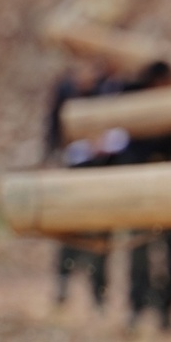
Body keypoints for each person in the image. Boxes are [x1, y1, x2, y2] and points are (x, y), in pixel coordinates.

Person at [114, 61, 171, 332]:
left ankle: (166, 312)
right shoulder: (134, 99)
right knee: (139, 251)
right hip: (140, 188)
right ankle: (137, 307)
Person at [44, 55, 117, 309]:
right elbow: (53, 130)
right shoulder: (65, 89)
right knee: (69, 231)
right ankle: (62, 283)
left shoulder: (105, 88)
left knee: (101, 235)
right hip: (74, 170)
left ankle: (99, 293)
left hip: (101, 172)